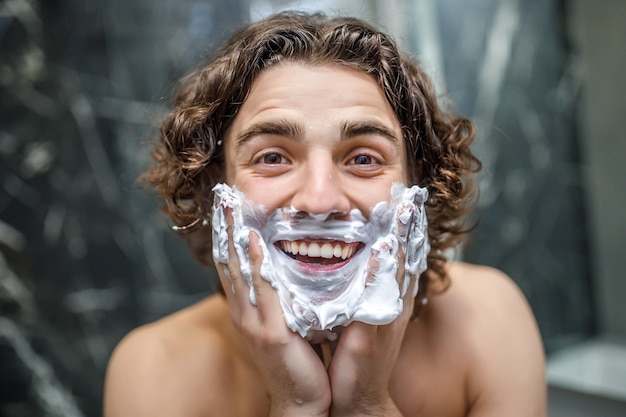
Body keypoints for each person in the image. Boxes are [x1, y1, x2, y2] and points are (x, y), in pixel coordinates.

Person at [103, 11, 546, 417]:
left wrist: (367, 406)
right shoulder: (154, 371)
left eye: (364, 158)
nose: (319, 200)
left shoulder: (490, 324)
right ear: (216, 188)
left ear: (420, 186)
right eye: (273, 157)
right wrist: (296, 406)